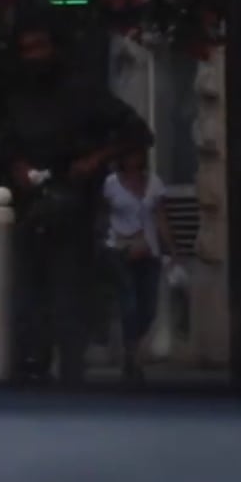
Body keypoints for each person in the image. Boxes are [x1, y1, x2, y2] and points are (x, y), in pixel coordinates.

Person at [0, 11, 153, 385]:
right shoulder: (17, 96)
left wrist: (95, 160)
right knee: (26, 291)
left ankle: (71, 368)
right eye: (27, 49)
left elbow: (136, 131)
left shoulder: (82, 92)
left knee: (68, 290)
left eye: (40, 47)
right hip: (27, 202)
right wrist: (17, 165)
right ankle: (32, 363)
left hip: (73, 200)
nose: (34, 56)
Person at [103, 147, 175, 382]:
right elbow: (103, 216)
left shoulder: (154, 183)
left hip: (149, 251)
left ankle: (132, 346)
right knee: (129, 303)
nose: (134, 158)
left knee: (149, 307)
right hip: (120, 250)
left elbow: (161, 217)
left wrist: (171, 248)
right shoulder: (111, 184)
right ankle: (132, 356)